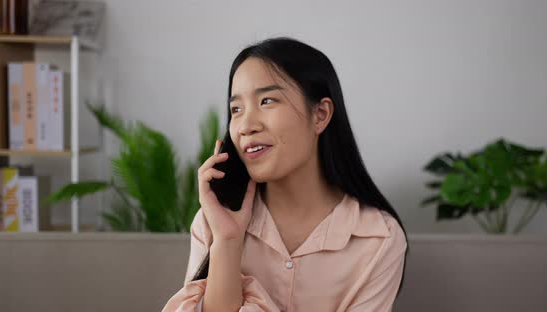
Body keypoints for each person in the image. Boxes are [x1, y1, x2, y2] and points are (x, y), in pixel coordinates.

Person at [163, 37, 407, 312]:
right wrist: (227, 241)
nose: (245, 126)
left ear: (320, 114)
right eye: (236, 109)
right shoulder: (214, 223)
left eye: (266, 100)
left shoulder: (378, 238)